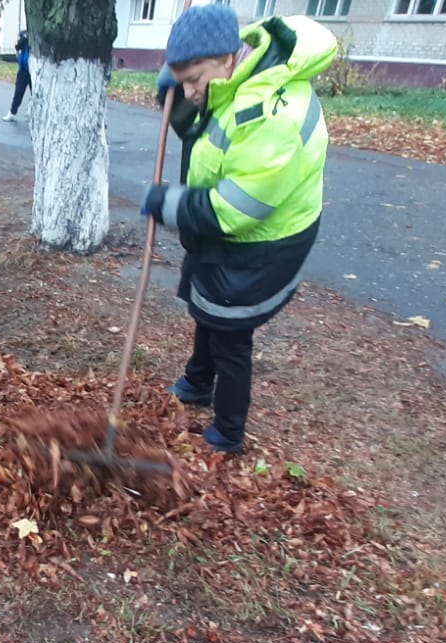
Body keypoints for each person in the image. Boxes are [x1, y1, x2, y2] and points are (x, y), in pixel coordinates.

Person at [142, 9, 336, 453]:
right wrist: (180, 101)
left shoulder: (270, 115)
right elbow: (205, 132)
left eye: (194, 78)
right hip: (231, 229)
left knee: (230, 329)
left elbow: (235, 209)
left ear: (227, 60)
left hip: (266, 239)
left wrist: (167, 203)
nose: (191, 89)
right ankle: (197, 381)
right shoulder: (233, 80)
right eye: (183, 80)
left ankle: (228, 432)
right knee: (207, 304)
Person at [1, 30, 29, 122]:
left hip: (34, 70)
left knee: (36, 94)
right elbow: (18, 46)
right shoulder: (25, 40)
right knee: (18, 92)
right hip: (24, 69)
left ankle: (31, 113)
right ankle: (12, 112)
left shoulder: (34, 39)